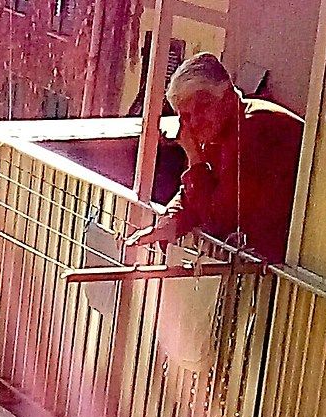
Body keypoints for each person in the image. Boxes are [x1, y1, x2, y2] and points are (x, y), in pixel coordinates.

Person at [124, 52, 303, 267]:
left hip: (290, 262)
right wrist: (170, 221)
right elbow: (197, 194)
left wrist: (193, 156)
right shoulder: (222, 132)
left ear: (228, 96)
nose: (194, 122)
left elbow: (219, 219)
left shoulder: (252, 127)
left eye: (202, 108)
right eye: (186, 115)